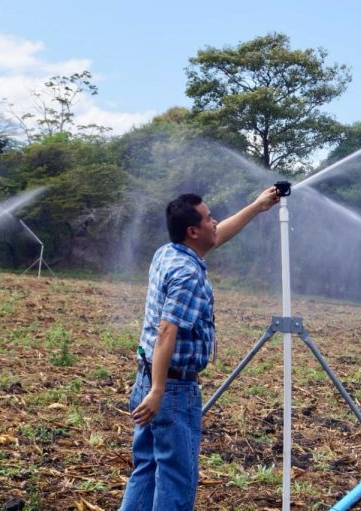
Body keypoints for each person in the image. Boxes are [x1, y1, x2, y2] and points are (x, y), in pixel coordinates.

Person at [119, 186, 280, 511]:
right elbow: (167, 331)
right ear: (193, 231)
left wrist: (258, 206)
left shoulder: (168, 252)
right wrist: (160, 391)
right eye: (209, 218)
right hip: (171, 390)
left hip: (146, 380)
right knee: (177, 481)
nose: (215, 221)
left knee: (147, 469)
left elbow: (218, 236)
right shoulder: (188, 273)